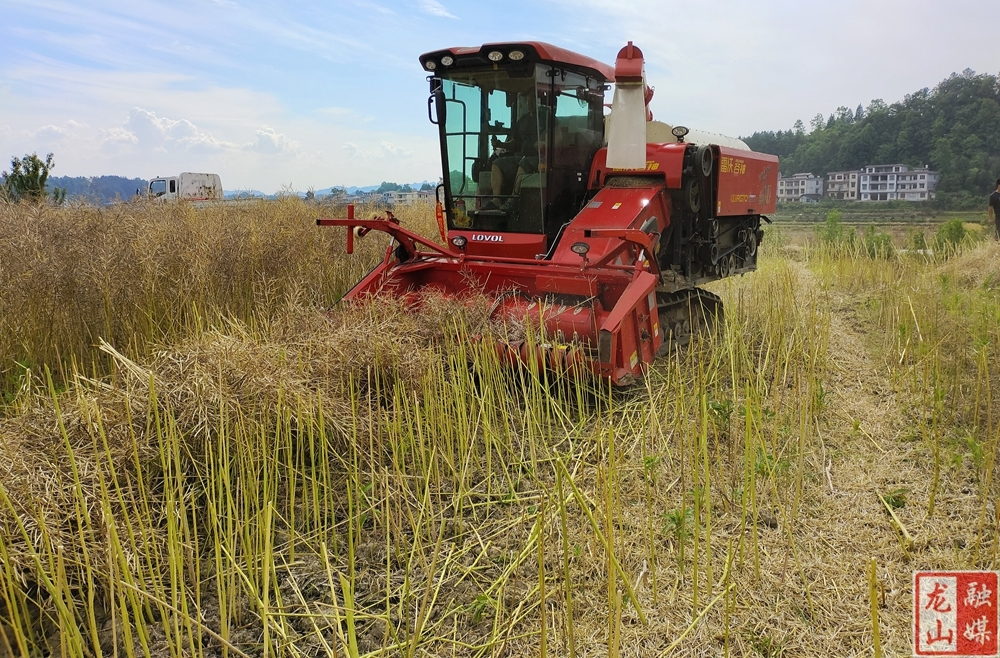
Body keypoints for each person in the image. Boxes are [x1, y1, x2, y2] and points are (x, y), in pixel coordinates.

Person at [486, 92, 543, 212]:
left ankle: (512, 200)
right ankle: (496, 200)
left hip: (539, 157)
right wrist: (500, 144)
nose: (530, 103)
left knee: (524, 163)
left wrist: (544, 143)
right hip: (521, 156)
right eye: (528, 101)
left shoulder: (546, 117)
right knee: (497, 163)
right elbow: (515, 143)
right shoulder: (522, 121)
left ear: (539, 101)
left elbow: (556, 137)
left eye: (533, 100)